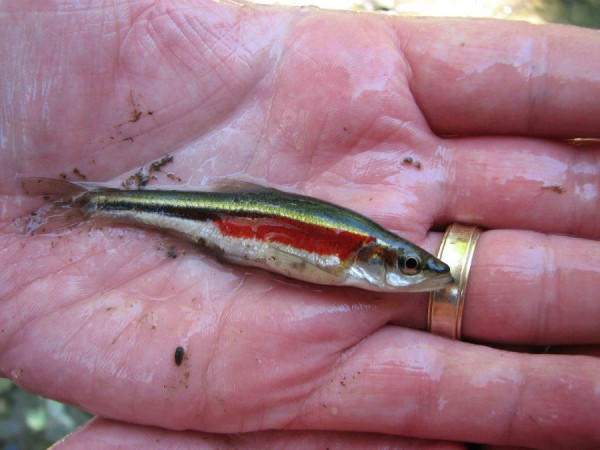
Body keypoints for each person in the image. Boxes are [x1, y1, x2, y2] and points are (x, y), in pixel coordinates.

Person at [1, 1, 598, 448]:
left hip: (234, 224)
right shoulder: (350, 253)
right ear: (381, 259)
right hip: (225, 222)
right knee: (176, 220)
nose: (414, 272)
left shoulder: (357, 259)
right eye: (409, 265)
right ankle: (96, 202)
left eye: (413, 265)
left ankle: (94, 203)